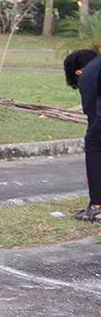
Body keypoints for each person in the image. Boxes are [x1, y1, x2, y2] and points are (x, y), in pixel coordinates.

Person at [63, 49, 101, 222]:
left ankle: (97, 208)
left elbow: (93, 117)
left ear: (78, 72)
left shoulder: (89, 75)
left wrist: (92, 166)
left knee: (93, 143)